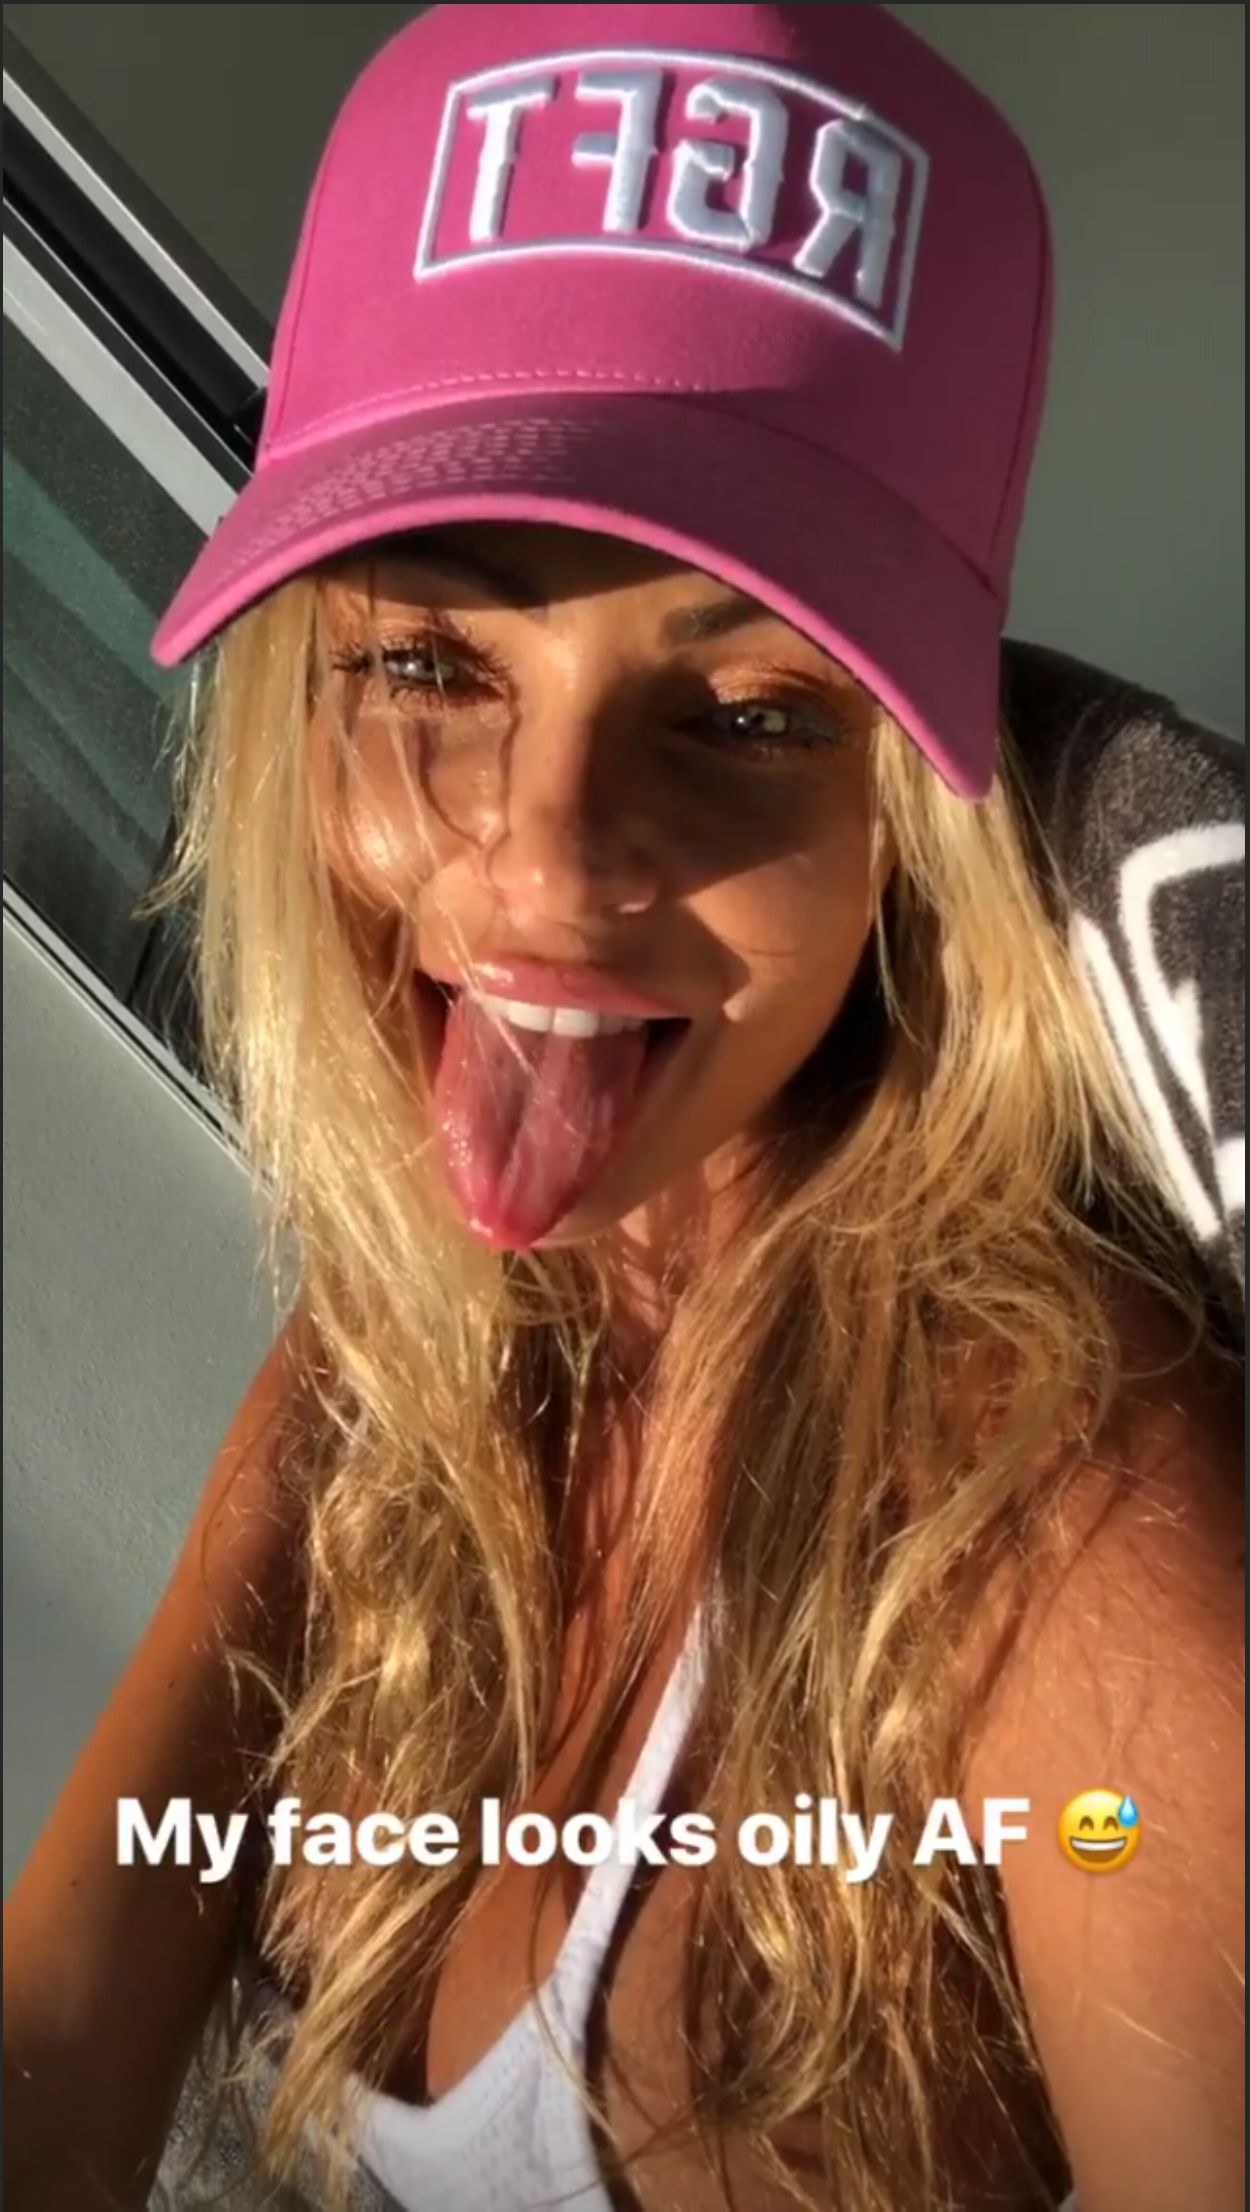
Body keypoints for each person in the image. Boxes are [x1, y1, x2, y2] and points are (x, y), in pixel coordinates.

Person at [4, 8, 1243, 2212]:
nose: (555, 865)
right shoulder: (392, 1371)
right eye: (430, 664)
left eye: (749, 711)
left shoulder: (1058, 1531)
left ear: (915, 815)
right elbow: (63, 2024)